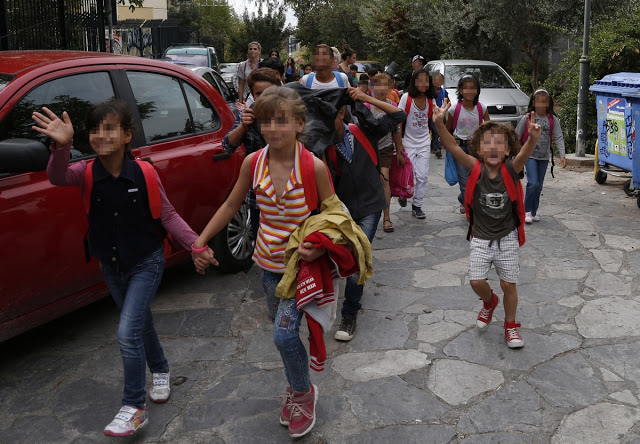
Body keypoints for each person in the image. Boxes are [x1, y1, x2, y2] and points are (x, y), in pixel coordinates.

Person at [33, 101, 210, 436]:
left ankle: (133, 407)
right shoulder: (84, 172)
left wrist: (196, 245)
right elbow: (56, 176)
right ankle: (160, 368)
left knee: (127, 333)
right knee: (139, 323)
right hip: (111, 265)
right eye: (95, 129)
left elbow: (168, 215)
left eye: (110, 128)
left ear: (128, 135)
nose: (101, 135)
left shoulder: (144, 172)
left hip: (147, 261)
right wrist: (62, 145)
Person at [191, 86, 335, 438]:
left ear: (300, 124)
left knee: (284, 336)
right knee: (284, 332)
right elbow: (229, 206)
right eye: (267, 120)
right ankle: (296, 384)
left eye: (282, 121)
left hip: (301, 269)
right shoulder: (252, 163)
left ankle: (303, 393)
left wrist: (319, 248)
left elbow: (336, 215)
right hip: (267, 267)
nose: (273, 128)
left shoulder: (313, 166)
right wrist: (200, 240)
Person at [433, 101, 541, 348]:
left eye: (500, 143)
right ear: (478, 150)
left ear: (507, 150)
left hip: (507, 237)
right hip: (481, 237)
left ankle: (511, 325)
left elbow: (524, 154)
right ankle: (489, 302)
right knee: (476, 282)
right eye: (487, 143)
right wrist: (439, 123)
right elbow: (451, 145)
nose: (493, 147)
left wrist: (532, 139)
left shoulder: (512, 168)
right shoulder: (476, 167)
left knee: (508, 284)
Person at [326, 87, 407, 341]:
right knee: (345, 258)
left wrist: (365, 98)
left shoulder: (362, 131)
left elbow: (398, 115)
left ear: (342, 111)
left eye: (334, 113)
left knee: (358, 256)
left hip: (371, 205)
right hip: (341, 211)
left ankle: (349, 314)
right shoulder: (321, 144)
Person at [223, 68, 283, 238]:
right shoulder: (246, 115)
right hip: (259, 199)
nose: (264, 99)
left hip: (292, 198)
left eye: (269, 93)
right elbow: (227, 146)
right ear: (253, 95)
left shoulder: (290, 116)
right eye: (259, 94)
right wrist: (244, 126)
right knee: (264, 245)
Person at [515, 89, 566, 224]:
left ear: (549, 103)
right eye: (538, 101)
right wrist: (513, 153)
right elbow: (516, 135)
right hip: (529, 155)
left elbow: (558, 137)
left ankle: (533, 211)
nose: (542, 104)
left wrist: (562, 155)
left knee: (539, 186)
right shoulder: (527, 117)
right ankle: (525, 211)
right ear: (533, 102)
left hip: (544, 157)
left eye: (545, 101)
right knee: (533, 183)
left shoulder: (552, 119)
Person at [397, 68, 441, 219]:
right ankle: (403, 193)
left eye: (426, 80)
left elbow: (435, 119)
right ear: (414, 82)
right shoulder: (406, 98)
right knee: (408, 173)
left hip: (423, 142)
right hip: (407, 141)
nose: (423, 83)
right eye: (420, 80)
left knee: (421, 176)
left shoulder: (431, 100)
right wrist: (399, 144)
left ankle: (417, 205)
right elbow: (399, 121)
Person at [446, 74, 490, 213]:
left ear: (477, 90)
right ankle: (470, 210)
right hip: (460, 148)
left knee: (476, 178)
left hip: (476, 148)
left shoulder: (482, 108)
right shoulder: (454, 110)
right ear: (460, 90)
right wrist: (449, 145)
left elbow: (489, 129)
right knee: (464, 181)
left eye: (473, 88)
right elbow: (447, 130)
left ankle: (463, 198)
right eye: (466, 88)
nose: (469, 91)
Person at [368, 73, 404, 233]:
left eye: (385, 85)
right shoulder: (366, 106)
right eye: (378, 85)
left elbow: (396, 130)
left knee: (384, 180)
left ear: (390, 88)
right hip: (368, 150)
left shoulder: (392, 106)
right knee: (368, 183)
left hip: (385, 149)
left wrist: (400, 150)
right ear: (372, 87)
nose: (381, 89)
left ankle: (387, 218)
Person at [431, 71, 449, 159]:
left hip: (441, 113)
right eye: (436, 80)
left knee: (439, 131)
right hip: (432, 114)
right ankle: (436, 147)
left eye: (440, 81)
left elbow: (447, 101)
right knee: (434, 131)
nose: (438, 83)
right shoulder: (430, 91)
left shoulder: (443, 91)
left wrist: (446, 108)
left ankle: (438, 147)